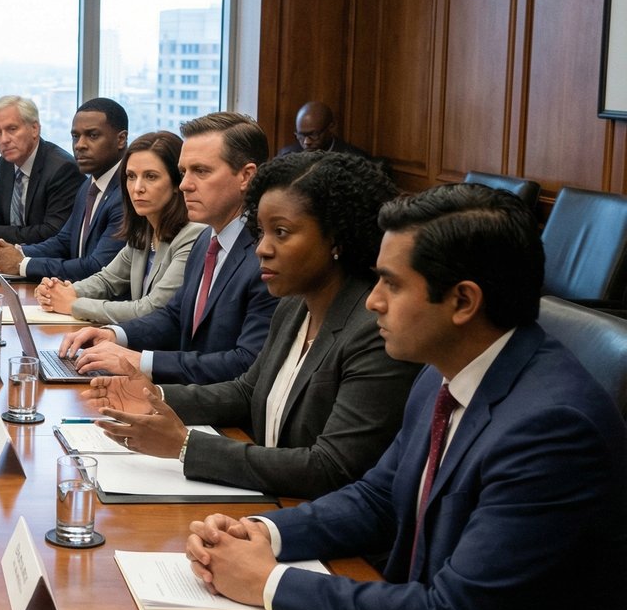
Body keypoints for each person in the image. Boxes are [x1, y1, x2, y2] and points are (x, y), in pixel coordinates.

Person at [185, 184, 627, 610]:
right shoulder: (445, 369)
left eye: (391, 284)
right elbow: (376, 497)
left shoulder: (551, 427)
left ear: (463, 302)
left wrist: (269, 584)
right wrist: (263, 531)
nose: (372, 301)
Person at [86, 153, 419, 499]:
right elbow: (247, 392)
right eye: (260, 232)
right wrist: (152, 396)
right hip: (271, 502)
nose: (262, 249)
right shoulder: (293, 306)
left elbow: (328, 467)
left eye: (282, 233)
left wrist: (186, 446)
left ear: (337, 238)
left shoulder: (373, 333)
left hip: (317, 527)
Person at [58, 111, 276, 385]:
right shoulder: (206, 240)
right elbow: (174, 317)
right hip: (185, 399)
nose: (184, 184)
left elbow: (245, 362)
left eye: (201, 171)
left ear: (246, 176)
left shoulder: (267, 256)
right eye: (184, 172)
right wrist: (115, 334)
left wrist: (142, 361)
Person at [33, 131, 203, 327]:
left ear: (176, 183)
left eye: (151, 176)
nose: (137, 187)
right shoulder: (144, 231)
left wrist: (74, 304)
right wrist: (60, 291)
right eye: (131, 176)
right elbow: (106, 281)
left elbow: (150, 309)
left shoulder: (193, 235)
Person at [0, 98, 129, 280]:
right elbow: (63, 241)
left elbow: (97, 267)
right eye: (75, 136)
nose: (80, 145)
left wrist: (22, 264)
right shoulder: (89, 185)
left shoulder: (127, 193)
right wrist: (14, 252)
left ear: (121, 139)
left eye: (92, 135)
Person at [0, 95, 80, 246]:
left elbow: (53, 232)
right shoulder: (5, 164)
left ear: (35, 129)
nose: (4, 140)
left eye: (12, 129)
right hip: (9, 257)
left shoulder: (62, 169)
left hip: (44, 262)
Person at [276, 100, 368, 158]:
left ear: (331, 127)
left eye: (313, 134)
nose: (306, 142)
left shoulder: (354, 159)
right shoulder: (287, 156)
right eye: (301, 135)